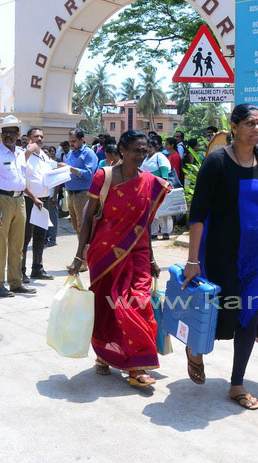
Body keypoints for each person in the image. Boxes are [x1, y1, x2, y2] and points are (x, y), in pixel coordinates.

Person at [182, 103, 258, 410]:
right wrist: (193, 260)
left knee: (248, 317)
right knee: (223, 317)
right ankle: (195, 347)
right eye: (250, 123)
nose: (257, 129)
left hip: (256, 256)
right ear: (234, 127)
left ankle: (237, 383)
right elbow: (198, 214)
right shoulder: (217, 162)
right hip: (222, 254)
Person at [66, 130, 169, 387]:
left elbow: (144, 223)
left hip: (138, 253)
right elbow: (88, 217)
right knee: (107, 307)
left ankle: (138, 365)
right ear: (122, 150)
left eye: (144, 151)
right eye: (136, 150)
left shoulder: (150, 182)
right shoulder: (104, 176)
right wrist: (79, 255)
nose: (141, 155)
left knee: (138, 303)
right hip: (105, 252)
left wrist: (152, 258)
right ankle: (104, 353)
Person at [0, 115, 38, 297]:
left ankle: (15, 282)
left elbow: (21, 179)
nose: (8, 135)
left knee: (17, 245)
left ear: (18, 134)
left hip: (20, 201)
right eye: (5, 132)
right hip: (1, 201)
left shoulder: (20, 153)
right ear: (1, 134)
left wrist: (33, 197)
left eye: (12, 132)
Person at [21, 128, 59, 282]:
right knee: (25, 236)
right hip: (29, 200)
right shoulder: (23, 154)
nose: (39, 139)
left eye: (41, 136)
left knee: (40, 235)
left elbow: (53, 168)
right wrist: (27, 152)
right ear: (29, 139)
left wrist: (63, 167)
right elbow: (19, 177)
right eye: (36, 136)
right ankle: (20, 271)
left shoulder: (44, 155)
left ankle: (37, 269)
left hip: (44, 200)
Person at [65, 128, 99, 236]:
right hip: (70, 195)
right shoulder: (70, 153)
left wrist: (71, 169)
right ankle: (82, 246)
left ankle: (85, 247)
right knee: (76, 227)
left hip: (83, 195)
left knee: (84, 227)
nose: (71, 144)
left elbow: (89, 174)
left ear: (82, 140)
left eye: (74, 141)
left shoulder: (88, 153)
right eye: (70, 141)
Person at [142, 138, 172, 240]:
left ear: (155, 148)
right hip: (148, 188)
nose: (148, 149)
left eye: (150, 147)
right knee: (152, 210)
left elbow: (164, 171)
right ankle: (154, 232)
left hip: (160, 187)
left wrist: (164, 185)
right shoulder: (145, 158)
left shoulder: (159, 156)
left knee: (164, 210)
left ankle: (166, 232)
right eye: (147, 147)